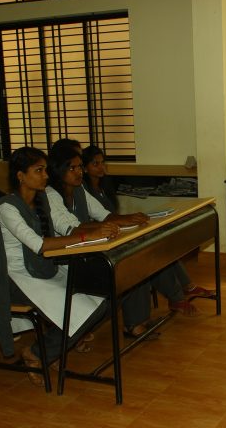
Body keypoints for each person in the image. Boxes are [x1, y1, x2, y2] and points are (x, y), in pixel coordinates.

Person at [0, 147, 117, 386]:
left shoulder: (41, 201)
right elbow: (39, 245)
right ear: (20, 176)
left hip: (45, 269)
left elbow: (50, 243)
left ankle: (50, 349)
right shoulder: (7, 207)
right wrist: (86, 237)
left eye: (46, 170)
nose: (46, 176)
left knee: (102, 300)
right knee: (84, 310)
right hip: (18, 278)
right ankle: (38, 353)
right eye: (38, 171)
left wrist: (92, 237)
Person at [80, 143, 215, 315]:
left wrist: (129, 220)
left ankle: (188, 287)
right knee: (150, 255)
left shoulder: (105, 186)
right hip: (106, 238)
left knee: (160, 244)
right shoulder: (84, 192)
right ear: (85, 168)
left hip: (118, 231)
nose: (101, 167)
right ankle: (177, 297)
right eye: (95, 164)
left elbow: (112, 215)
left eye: (102, 163)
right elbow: (99, 220)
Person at [45, 144, 161, 338]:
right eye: (72, 168)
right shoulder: (50, 195)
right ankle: (87, 328)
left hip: (88, 249)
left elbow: (103, 214)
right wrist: (106, 227)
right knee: (125, 269)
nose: (79, 172)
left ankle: (136, 322)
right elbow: (72, 229)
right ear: (58, 170)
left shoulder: (79, 189)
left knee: (135, 257)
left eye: (80, 167)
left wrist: (129, 218)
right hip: (68, 258)